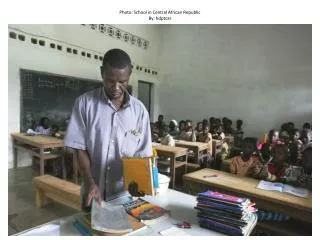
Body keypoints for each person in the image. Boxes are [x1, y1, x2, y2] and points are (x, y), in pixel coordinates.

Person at [64, 49, 152, 210]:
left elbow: (142, 154)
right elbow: (80, 148)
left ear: (129, 76)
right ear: (102, 72)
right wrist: (90, 181)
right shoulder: (85, 104)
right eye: (111, 81)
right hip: (93, 192)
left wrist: (141, 183)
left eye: (123, 82)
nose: (116, 87)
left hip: (125, 195)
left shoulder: (139, 111)